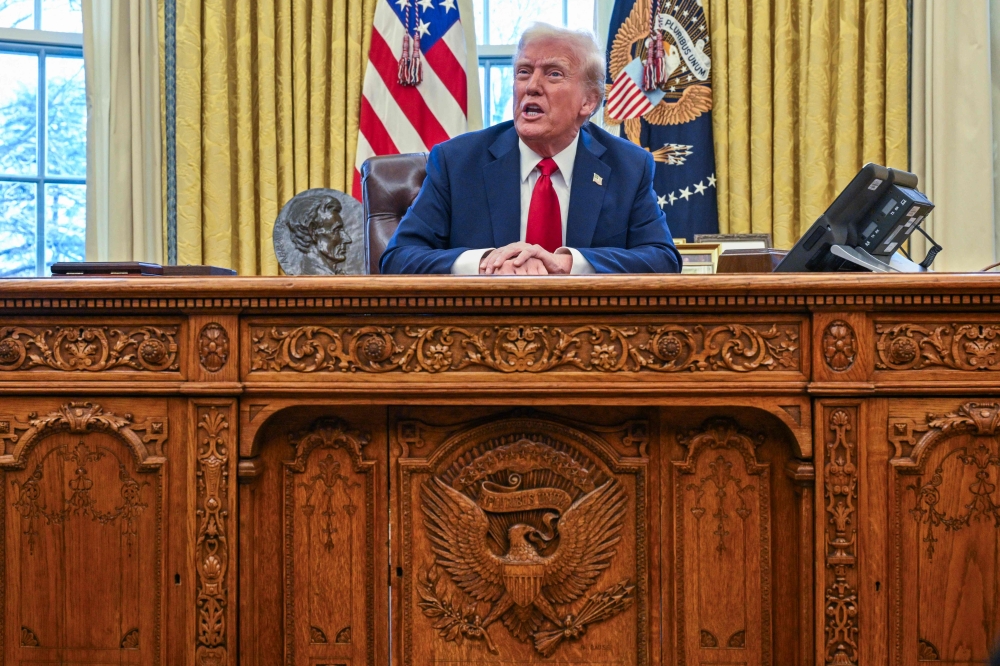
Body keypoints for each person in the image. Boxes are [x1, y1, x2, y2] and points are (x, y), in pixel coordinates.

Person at [379, 23, 681, 275]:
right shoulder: (456, 162)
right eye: (523, 72)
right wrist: (485, 263)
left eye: (553, 74)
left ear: (588, 102)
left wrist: (568, 263)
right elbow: (398, 259)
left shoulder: (628, 166)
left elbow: (662, 260)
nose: (531, 86)